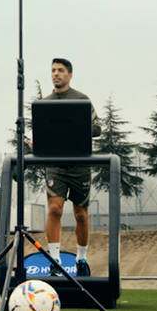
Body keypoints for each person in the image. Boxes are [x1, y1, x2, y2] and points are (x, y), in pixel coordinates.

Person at [41, 58, 100, 277]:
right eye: (53, 70)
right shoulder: (45, 103)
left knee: (81, 215)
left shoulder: (82, 100)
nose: (56, 74)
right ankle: (55, 261)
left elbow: (98, 129)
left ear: (70, 75)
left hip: (80, 165)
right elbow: (41, 133)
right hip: (55, 166)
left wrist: (74, 128)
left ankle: (81, 260)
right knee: (55, 209)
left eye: (61, 70)